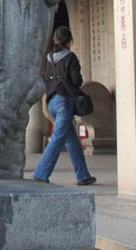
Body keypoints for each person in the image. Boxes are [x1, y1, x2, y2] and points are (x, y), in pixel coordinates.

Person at [32, 26, 96, 186]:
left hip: (51, 102)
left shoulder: (48, 58)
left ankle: (83, 175)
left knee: (71, 140)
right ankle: (41, 173)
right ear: (69, 41)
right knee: (58, 138)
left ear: (55, 40)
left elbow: (45, 79)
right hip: (64, 102)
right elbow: (76, 81)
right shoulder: (70, 57)